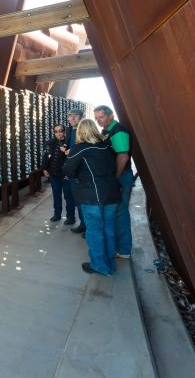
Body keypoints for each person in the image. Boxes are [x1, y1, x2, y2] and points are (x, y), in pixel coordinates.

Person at [62, 119, 120, 276]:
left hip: (92, 196)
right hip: (112, 195)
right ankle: (110, 264)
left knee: (94, 231)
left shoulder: (79, 149)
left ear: (80, 132)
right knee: (108, 229)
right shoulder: (107, 146)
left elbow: (68, 170)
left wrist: (77, 175)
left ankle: (100, 265)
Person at [94, 105, 135, 259]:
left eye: (101, 117)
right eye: (96, 118)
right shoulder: (106, 131)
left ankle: (124, 249)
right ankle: (117, 246)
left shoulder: (118, 130)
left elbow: (123, 156)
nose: (98, 120)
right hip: (113, 177)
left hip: (121, 177)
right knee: (115, 211)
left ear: (110, 116)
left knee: (120, 212)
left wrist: (115, 178)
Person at [41, 124, 76, 224]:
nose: (58, 133)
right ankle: (57, 214)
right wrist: (44, 168)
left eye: (60, 131)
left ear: (64, 132)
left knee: (68, 196)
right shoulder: (50, 143)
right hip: (54, 174)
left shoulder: (69, 144)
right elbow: (45, 156)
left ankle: (71, 217)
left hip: (65, 175)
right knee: (56, 195)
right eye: (56, 131)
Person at [66, 108, 86, 235]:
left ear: (81, 117)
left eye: (75, 116)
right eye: (70, 116)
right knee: (77, 200)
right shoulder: (70, 131)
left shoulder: (83, 132)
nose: (72, 118)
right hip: (73, 172)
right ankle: (83, 224)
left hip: (81, 172)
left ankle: (87, 226)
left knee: (83, 201)